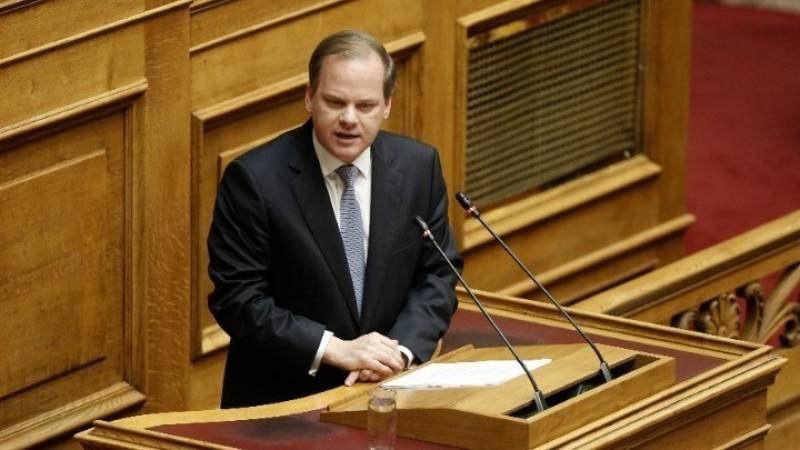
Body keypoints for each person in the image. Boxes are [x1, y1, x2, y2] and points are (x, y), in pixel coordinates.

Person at [207, 30, 462, 408]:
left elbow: (438, 274)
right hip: (284, 404)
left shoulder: (418, 167)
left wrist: (399, 353)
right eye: (335, 102)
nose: (349, 119)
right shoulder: (255, 180)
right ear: (309, 98)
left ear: (387, 105)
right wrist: (334, 349)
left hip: (389, 391)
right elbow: (238, 299)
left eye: (365, 105)